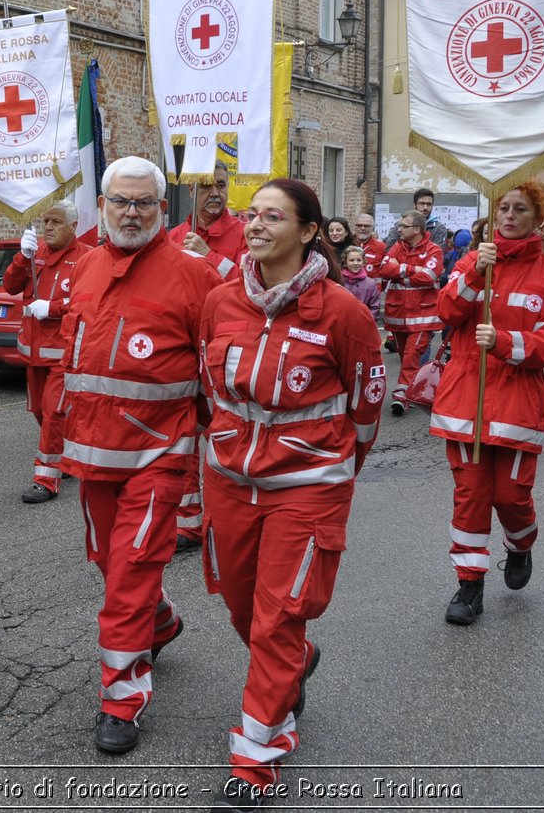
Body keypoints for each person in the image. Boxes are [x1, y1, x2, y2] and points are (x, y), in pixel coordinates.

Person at [198, 178, 384, 810]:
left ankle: (255, 756)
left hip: (306, 489)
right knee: (244, 610)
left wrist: (327, 470)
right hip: (229, 481)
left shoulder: (344, 313)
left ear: (308, 232)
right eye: (252, 214)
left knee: (278, 617)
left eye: (272, 216)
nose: (254, 224)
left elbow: (366, 410)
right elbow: (208, 388)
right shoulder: (220, 301)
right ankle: (295, 662)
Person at [59, 156, 223, 756]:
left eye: (144, 203)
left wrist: (219, 453)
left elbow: (216, 376)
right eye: (121, 202)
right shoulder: (85, 266)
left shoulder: (196, 278)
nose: (132, 213)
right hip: (94, 454)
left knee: (128, 571)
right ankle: (160, 622)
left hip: (160, 454)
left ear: (162, 208)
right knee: (107, 558)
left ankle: (121, 699)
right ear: (102, 205)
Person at [430, 182, 544, 625]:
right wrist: (473, 275)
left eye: (520, 209)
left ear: (538, 220)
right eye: (502, 208)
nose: (508, 216)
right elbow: (446, 312)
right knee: (470, 495)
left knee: (511, 496)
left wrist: (505, 342)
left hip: (517, 405)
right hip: (465, 400)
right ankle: (470, 584)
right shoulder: (473, 262)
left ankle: (520, 543)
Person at [165, 160, 245, 549]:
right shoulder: (176, 236)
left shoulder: (245, 233)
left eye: (221, 185)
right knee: (184, 439)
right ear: (191, 191)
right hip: (185, 353)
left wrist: (210, 259)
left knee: (228, 439)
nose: (215, 192)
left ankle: (231, 518)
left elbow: (253, 286)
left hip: (230, 356)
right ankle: (188, 521)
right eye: (206, 186)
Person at [3, 199, 91, 504]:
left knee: (54, 412)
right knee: (40, 411)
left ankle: (46, 478)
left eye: (56, 222)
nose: (48, 228)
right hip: (34, 354)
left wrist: (53, 309)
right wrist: (20, 257)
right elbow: (10, 285)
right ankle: (64, 455)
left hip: (63, 355)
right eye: (46, 223)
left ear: (74, 226)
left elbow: (88, 305)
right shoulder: (35, 254)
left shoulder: (86, 260)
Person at [379, 211, 443, 415]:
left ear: (416, 229)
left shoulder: (434, 250)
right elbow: (384, 269)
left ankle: (401, 395)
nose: (399, 229)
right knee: (403, 354)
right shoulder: (397, 246)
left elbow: (430, 276)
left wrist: (402, 270)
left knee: (411, 357)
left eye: (403, 226)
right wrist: (415, 270)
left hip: (423, 316)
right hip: (398, 315)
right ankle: (414, 390)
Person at [339, 245, 380, 321]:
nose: (355, 263)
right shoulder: (339, 281)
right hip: (342, 322)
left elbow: (375, 307)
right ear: (345, 262)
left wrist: (367, 321)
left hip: (363, 323)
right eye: (351, 260)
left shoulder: (370, 284)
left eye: (359, 260)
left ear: (364, 261)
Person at [352, 213, 387, 278]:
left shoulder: (382, 247)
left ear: (372, 228)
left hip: (373, 288)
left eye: (366, 226)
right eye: (359, 225)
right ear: (355, 227)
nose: (362, 228)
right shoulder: (346, 244)